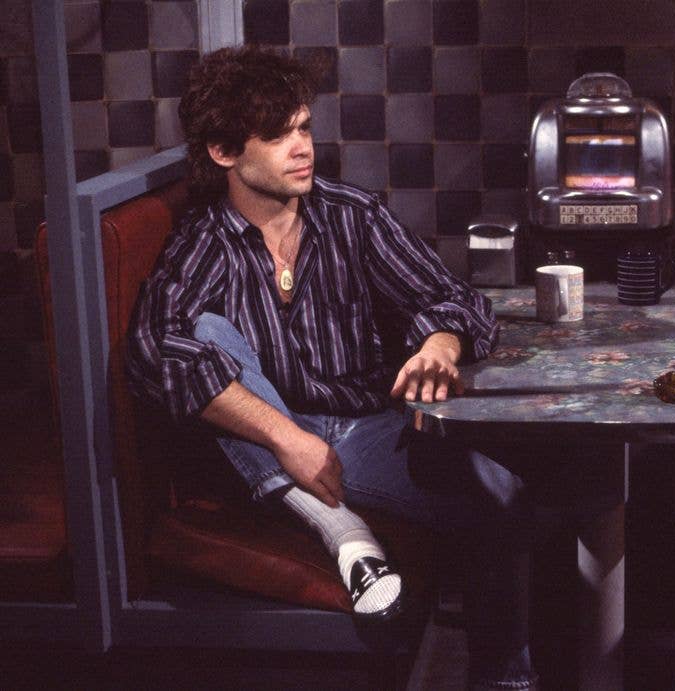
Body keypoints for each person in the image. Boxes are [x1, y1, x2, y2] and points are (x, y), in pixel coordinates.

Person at [127, 46, 537, 689]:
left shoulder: (350, 216)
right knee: (201, 333)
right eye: (278, 134)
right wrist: (288, 439)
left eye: (304, 127)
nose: (302, 147)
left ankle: (506, 680)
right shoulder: (203, 245)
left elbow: (454, 298)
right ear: (225, 152)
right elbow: (154, 352)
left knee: (500, 494)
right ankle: (347, 535)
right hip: (259, 447)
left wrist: (439, 346)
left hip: (366, 428)